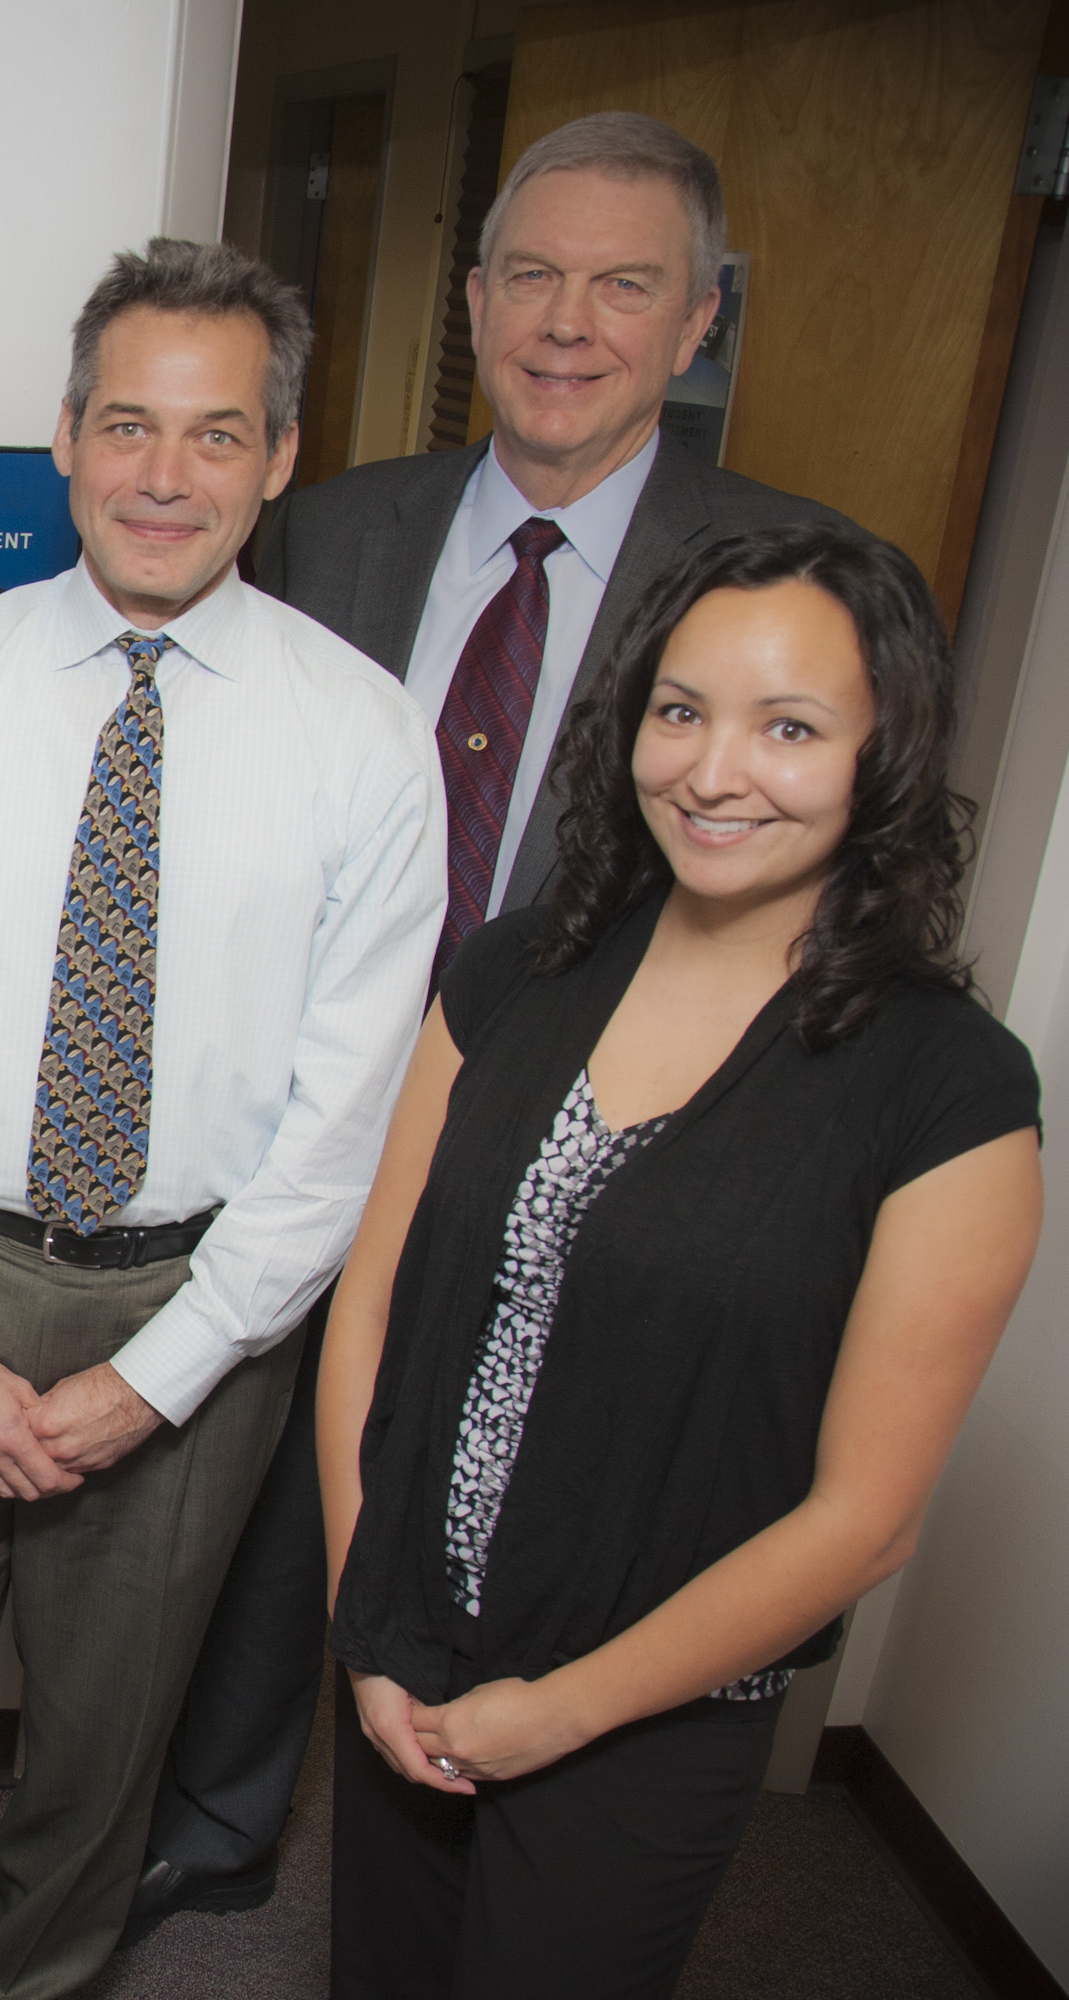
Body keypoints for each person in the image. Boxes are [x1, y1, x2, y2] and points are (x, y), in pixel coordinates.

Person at [135, 111, 855, 1941]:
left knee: (518, 1474)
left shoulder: (790, 571)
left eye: (626, 287)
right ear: (472, 300)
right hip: (310, 1097)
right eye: (530, 275)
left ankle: (492, 1810)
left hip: (594, 1126)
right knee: (274, 1483)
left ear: (698, 325)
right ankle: (217, 1830)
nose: (567, 322)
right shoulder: (330, 525)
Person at [0, 238, 445, 2000]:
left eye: (216, 434)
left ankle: (37, 1982)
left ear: (281, 457)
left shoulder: (365, 740)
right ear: (63, 435)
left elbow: (343, 1116)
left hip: (200, 1306)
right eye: (130, 426)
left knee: (106, 1732)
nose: (166, 475)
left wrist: (163, 1373)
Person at [321, 520, 1040, 1998]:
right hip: (404, 1649)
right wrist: (362, 1618)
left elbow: (864, 1522)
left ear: (882, 752)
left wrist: (561, 1715)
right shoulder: (513, 971)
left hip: (640, 1717)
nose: (715, 772)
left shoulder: (947, 1087)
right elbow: (372, 1300)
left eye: (789, 727)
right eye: (681, 711)